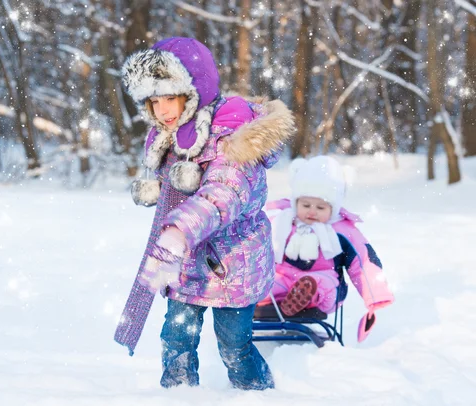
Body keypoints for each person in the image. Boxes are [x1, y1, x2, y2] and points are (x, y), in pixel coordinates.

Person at [113, 37, 295, 390]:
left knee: (233, 346)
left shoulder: (233, 136)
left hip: (232, 266)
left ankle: (257, 393)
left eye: (170, 97)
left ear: (194, 89)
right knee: (176, 341)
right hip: (186, 268)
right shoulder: (173, 137)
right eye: (154, 100)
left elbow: (223, 194)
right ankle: (178, 395)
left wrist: (180, 228)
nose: (163, 109)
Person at [256, 156, 395, 343]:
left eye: (320, 207)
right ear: (295, 202)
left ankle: (306, 293)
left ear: (333, 208)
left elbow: (363, 262)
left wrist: (375, 297)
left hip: (326, 280)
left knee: (322, 284)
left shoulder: (342, 230)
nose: (312, 211)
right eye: (305, 205)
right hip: (285, 279)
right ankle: (264, 298)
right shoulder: (281, 222)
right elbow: (253, 247)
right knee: (267, 283)